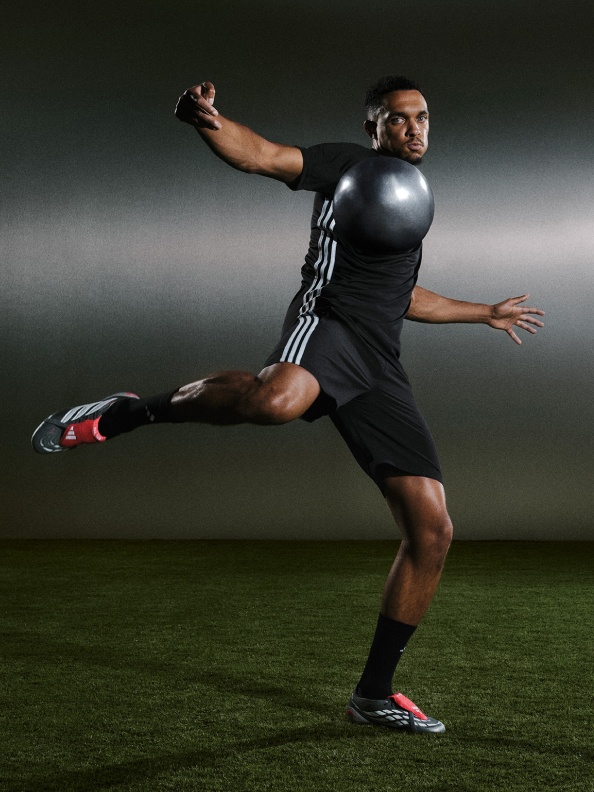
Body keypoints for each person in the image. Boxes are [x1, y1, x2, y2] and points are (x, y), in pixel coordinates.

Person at [31, 76, 544, 734]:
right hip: (326, 327)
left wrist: (485, 314)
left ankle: (374, 695)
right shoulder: (347, 167)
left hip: (378, 365)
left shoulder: (411, 201)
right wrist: (208, 122)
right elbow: (264, 154)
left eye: (422, 118)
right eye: (398, 119)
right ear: (373, 129)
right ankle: (131, 411)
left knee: (433, 531)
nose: (414, 129)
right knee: (276, 400)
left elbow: (404, 296)